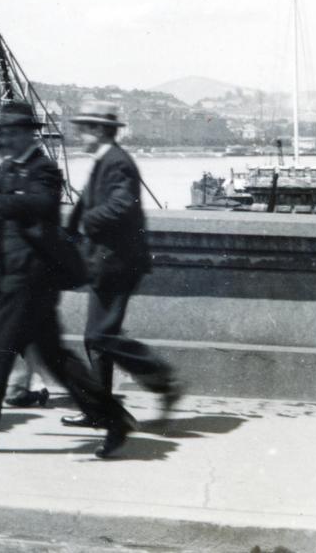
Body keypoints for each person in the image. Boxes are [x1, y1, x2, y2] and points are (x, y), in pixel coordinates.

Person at [0, 100, 135, 457]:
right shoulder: (5, 170)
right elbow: (1, 231)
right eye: (4, 133)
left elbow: (43, 205)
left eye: (14, 132)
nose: (7, 139)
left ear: (30, 134)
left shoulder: (44, 169)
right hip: (14, 275)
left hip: (31, 276)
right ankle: (114, 419)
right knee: (56, 358)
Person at [62, 99, 183, 427]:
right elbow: (86, 202)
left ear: (100, 130)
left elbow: (121, 205)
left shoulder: (118, 162)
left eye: (84, 129)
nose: (79, 135)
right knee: (98, 336)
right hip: (105, 261)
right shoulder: (104, 161)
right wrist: (69, 231)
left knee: (100, 336)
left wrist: (86, 222)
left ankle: (164, 381)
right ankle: (100, 411)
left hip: (117, 262)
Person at [0, 132, 49, 408]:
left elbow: (8, 224)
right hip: (14, 258)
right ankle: (33, 381)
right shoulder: (8, 167)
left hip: (15, 261)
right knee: (20, 322)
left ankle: (19, 376)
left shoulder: (11, 169)